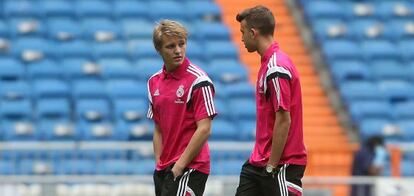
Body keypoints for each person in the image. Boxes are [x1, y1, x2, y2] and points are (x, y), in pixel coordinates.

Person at [235, 5, 307, 196]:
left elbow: (284, 119)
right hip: (258, 163)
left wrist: (272, 166)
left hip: (280, 165)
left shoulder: (276, 68)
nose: (241, 38)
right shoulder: (269, 64)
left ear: (253, 33)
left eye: (243, 33)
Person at [146, 19, 217, 196]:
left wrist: (179, 166)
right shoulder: (153, 82)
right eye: (171, 46)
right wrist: (159, 163)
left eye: (182, 44)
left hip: (191, 166)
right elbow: (158, 129)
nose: (178, 50)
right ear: (159, 50)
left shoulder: (199, 81)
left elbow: (205, 129)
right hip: (165, 169)